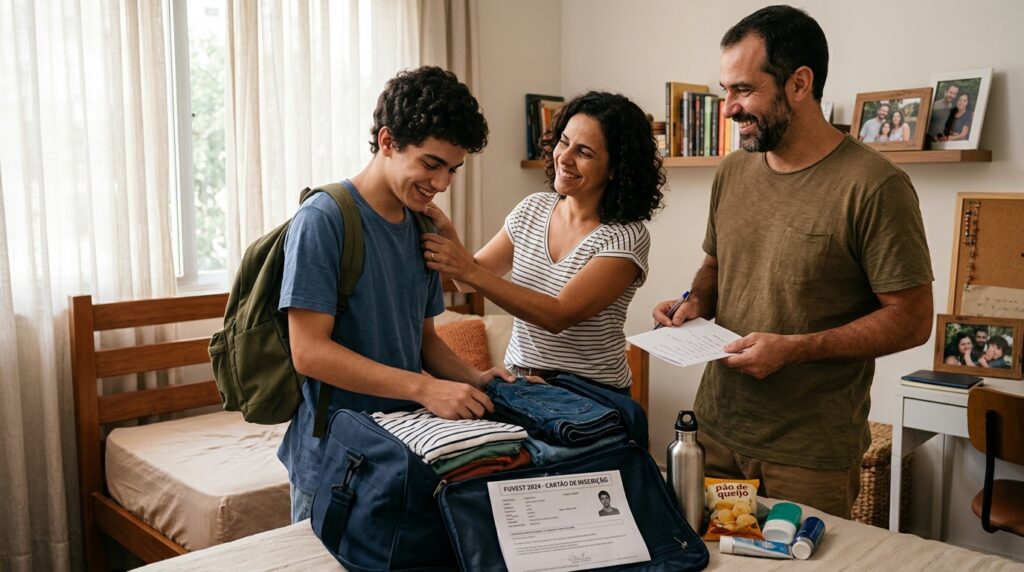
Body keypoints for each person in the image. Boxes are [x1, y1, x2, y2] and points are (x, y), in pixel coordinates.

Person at [652, 5, 933, 518]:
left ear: (799, 83)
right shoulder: (733, 171)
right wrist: (693, 303)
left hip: (809, 456)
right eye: (725, 91)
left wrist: (796, 349)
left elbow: (912, 321)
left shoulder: (875, 186)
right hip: (714, 431)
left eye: (743, 90)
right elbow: (716, 265)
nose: (728, 109)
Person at [278, 66, 515, 523]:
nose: (443, 184)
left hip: (402, 452)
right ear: (388, 142)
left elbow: (422, 342)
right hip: (333, 460)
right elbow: (309, 352)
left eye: (453, 169)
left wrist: (476, 378)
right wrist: (424, 388)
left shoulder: (421, 227)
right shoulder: (323, 220)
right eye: (431, 164)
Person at [422, 91, 665, 391]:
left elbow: (557, 315)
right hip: (522, 383)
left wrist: (467, 270)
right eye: (564, 142)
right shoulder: (532, 209)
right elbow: (468, 282)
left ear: (616, 168)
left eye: (584, 152)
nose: (565, 157)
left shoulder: (626, 237)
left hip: (591, 395)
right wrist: (447, 230)